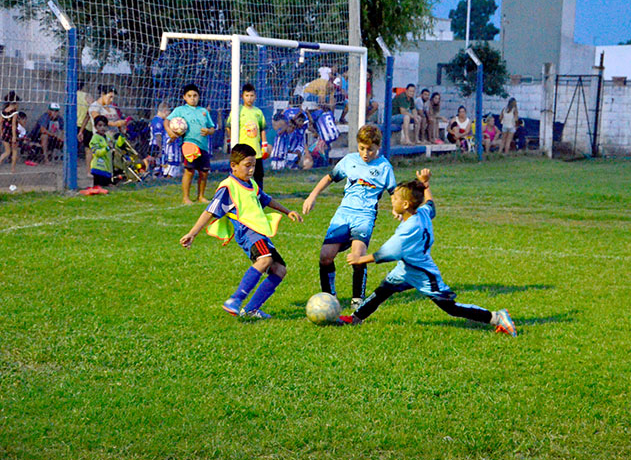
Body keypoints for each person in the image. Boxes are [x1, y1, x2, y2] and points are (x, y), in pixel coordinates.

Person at [339, 169, 517, 336]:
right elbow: (430, 205)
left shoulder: (409, 229)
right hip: (406, 269)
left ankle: (496, 317)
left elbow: (387, 253)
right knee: (382, 291)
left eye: (395, 199)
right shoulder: (421, 213)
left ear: (406, 204)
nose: (391, 201)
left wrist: (360, 259)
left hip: (423, 273)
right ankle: (356, 318)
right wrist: (426, 185)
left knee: (451, 308)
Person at [179, 144, 303, 319]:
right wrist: (192, 233)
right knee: (264, 260)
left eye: (253, 165)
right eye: (247, 165)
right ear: (234, 166)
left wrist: (287, 211)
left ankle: (251, 310)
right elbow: (210, 211)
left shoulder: (250, 183)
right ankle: (235, 299)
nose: (251, 170)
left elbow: (266, 199)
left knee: (280, 270)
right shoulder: (228, 187)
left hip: (259, 233)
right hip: (247, 233)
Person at [302, 124, 396, 309]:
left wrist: (396, 208)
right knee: (325, 256)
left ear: (378, 147)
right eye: (362, 148)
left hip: (364, 216)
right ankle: (329, 298)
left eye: (370, 149)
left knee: (357, 255)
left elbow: (393, 191)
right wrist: (312, 196)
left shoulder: (384, 167)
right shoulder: (349, 160)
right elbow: (329, 177)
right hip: (343, 214)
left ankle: (357, 300)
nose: (365, 153)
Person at [165, 84, 216, 205]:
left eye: (195, 96)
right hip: (188, 144)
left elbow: (212, 128)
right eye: (189, 96)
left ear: (198, 97)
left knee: (204, 172)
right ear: (184, 97)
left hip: (203, 145)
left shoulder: (203, 111)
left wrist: (208, 131)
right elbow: (167, 121)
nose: (192, 98)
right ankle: (186, 197)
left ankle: (201, 196)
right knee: (189, 170)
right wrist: (169, 131)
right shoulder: (180, 110)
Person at [226, 83, 267, 190]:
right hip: (242, 151)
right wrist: (232, 141)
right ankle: (240, 192)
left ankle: (259, 196)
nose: (249, 98)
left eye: (252, 96)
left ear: (255, 97)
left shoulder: (258, 112)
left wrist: (264, 145)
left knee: (258, 175)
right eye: (247, 95)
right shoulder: (237, 111)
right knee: (242, 174)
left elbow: (262, 129)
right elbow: (228, 126)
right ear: (242, 96)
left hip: (256, 151)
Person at [89, 115, 114, 188]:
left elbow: (116, 144)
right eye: (100, 125)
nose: (102, 128)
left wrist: (122, 136)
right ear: (95, 126)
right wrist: (107, 148)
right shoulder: (95, 139)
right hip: (98, 168)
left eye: (104, 125)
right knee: (99, 188)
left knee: (108, 188)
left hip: (107, 168)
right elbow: (97, 153)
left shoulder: (108, 137)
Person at [0, 91, 21, 172]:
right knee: (14, 151)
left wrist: (1, 133)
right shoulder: (14, 112)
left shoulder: (3, 112)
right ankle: (13, 168)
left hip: (5, 133)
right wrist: (14, 136)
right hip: (12, 134)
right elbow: (13, 125)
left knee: (7, 152)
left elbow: (0, 123)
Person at [76, 79, 94, 174]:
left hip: (74, 124)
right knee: (88, 149)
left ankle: (71, 171)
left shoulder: (71, 95)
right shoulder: (87, 96)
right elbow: (92, 108)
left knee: (72, 149)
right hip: (86, 125)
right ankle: (88, 171)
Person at [149, 102, 170, 175]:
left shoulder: (159, 120)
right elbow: (158, 136)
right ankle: (157, 176)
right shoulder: (157, 121)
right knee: (158, 164)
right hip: (156, 146)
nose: (168, 115)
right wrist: (160, 148)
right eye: (168, 113)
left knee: (160, 163)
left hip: (159, 146)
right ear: (164, 111)